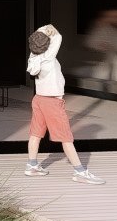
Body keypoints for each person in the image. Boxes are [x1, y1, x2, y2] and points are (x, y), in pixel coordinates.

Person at [23, 23, 106, 184]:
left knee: (35, 133)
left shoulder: (33, 57)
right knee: (66, 138)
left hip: (39, 100)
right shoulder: (48, 56)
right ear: (47, 46)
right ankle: (80, 172)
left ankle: (31, 166)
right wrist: (47, 27)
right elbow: (58, 36)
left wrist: (40, 34)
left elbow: (47, 39)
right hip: (52, 103)